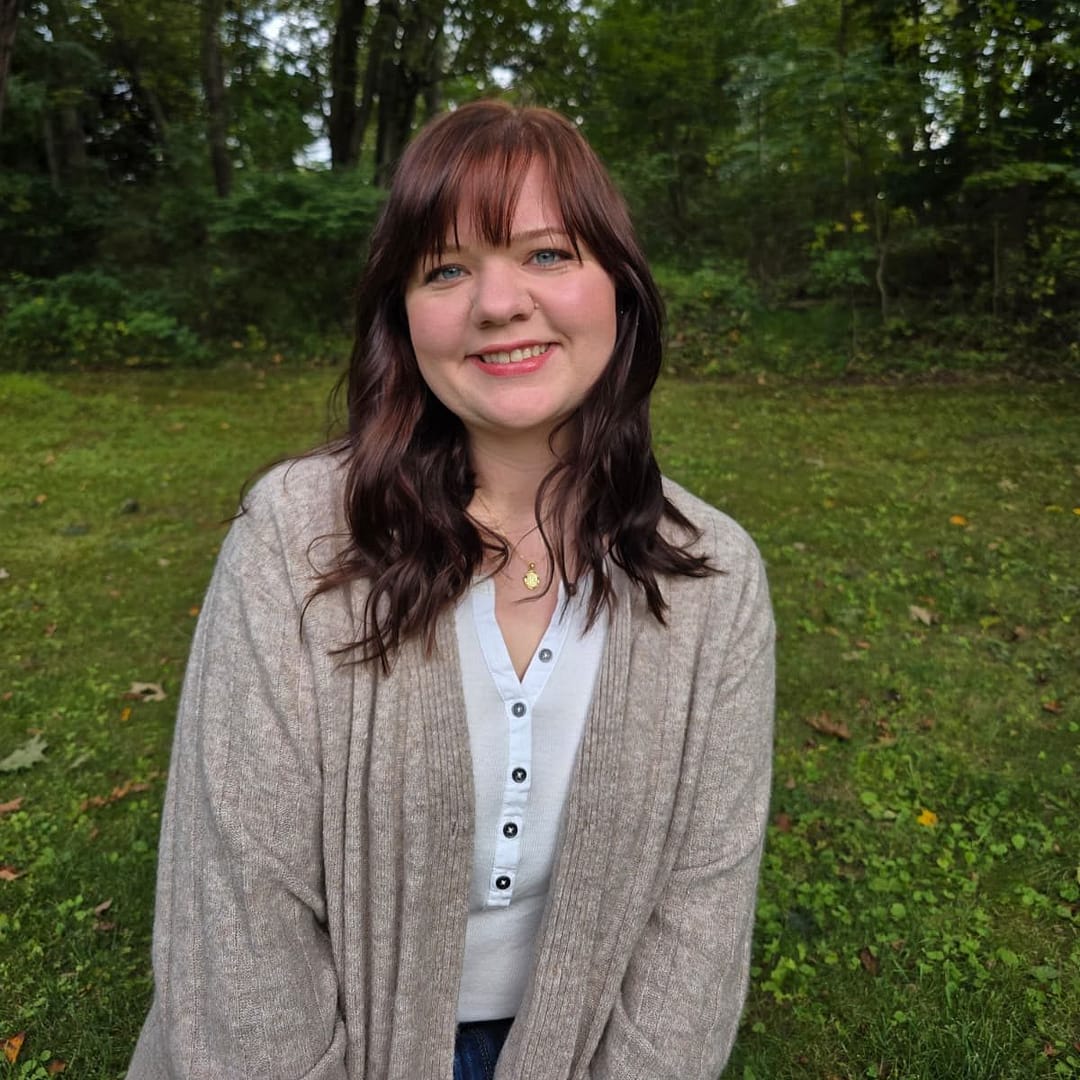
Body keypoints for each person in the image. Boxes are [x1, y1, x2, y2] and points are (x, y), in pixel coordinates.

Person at [128, 99, 774, 1080]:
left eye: (549, 254)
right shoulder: (292, 544)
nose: (498, 303)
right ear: (403, 318)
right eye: (446, 268)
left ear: (621, 290)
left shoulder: (717, 577)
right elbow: (236, 920)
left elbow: (702, 914)